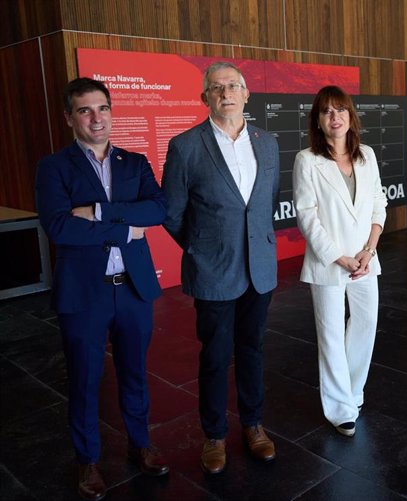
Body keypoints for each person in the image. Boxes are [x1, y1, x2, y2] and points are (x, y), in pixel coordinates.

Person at [35, 77, 169, 501]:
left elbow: (158, 209)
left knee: (134, 373)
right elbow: (59, 227)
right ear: (70, 117)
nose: (97, 118)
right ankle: (88, 459)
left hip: (132, 289)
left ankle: (140, 444)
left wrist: (97, 212)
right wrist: (126, 231)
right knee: (85, 379)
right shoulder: (54, 167)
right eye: (85, 110)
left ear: (112, 111)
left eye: (103, 108)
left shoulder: (134, 162)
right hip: (84, 295)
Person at [161, 61, 280, 473]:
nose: (226, 92)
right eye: (216, 87)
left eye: (233, 85)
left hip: (259, 270)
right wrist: (200, 249)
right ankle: (213, 435)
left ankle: (253, 425)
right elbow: (172, 213)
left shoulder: (268, 143)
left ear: (247, 94)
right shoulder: (186, 146)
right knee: (214, 356)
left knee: (252, 350)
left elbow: (263, 206)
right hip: (213, 271)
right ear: (205, 98)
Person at [292, 86, 387, 437]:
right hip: (329, 261)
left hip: (365, 259)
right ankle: (338, 409)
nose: (335, 117)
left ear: (351, 116)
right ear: (318, 120)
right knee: (330, 333)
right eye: (327, 111)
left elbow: (379, 204)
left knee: (365, 324)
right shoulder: (307, 161)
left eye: (341, 110)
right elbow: (307, 216)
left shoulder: (368, 157)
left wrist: (369, 250)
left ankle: (352, 392)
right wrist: (340, 257)